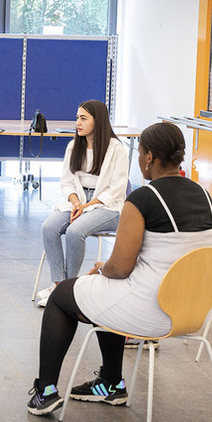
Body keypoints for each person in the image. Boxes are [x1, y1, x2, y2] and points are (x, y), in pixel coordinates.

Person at [27, 122, 212, 416]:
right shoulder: (203, 195)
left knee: (63, 294)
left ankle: (45, 391)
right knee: (103, 290)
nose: (138, 159)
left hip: (150, 311)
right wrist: (109, 270)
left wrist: (104, 267)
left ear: (149, 157)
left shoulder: (143, 198)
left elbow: (120, 269)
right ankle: (110, 384)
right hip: (190, 311)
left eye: (140, 153)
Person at [36, 100, 130, 307]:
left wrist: (87, 206)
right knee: (49, 227)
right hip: (79, 201)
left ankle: (69, 288)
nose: (77, 123)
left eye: (83, 118)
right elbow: (67, 181)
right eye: (77, 118)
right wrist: (76, 202)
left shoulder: (116, 149)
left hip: (108, 206)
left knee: (74, 231)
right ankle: (59, 285)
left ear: (99, 121)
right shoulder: (73, 146)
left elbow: (117, 188)